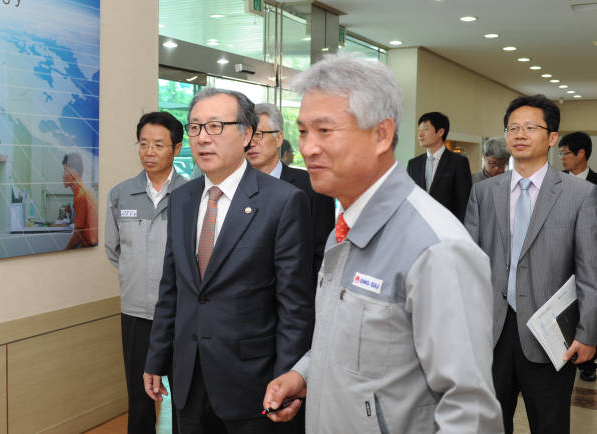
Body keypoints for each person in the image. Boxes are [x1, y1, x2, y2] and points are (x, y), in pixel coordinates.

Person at [263, 53, 502, 433]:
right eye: (303, 131)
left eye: (325, 131)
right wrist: (305, 373)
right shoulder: (342, 228)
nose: (308, 147)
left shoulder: (437, 249)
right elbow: (360, 346)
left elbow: (469, 414)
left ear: (382, 134)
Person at [143, 88, 314, 434]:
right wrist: (156, 358)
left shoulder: (283, 201)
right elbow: (172, 287)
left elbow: (294, 305)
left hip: (253, 382)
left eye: (216, 126)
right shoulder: (183, 199)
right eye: (195, 127)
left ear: (247, 133)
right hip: (189, 377)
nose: (203, 138)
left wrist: (286, 379)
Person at [464, 95, 597, 434]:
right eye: (513, 128)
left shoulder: (579, 195)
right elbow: (469, 263)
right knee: (489, 424)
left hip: (550, 334)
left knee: (550, 424)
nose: (519, 134)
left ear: (552, 137)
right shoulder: (484, 192)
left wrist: (587, 333)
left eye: (530, 127)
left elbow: (590, 270)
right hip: (491, 332)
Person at [105, 111, 187, 434]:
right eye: (143, 144)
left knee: (184, 397)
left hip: (182, 314)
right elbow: (114, 251)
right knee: (139, 398)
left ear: (176, 149)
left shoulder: (192, 194)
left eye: (158, 145)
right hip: (136, 312)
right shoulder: (121, 194)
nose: (149, 152)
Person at [248, 102, 335, 285]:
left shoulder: (310, 186)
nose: (251, 143)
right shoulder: (235, 187)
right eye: (247, 136)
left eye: (258, 135)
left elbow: (322, 254)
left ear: (279, 138)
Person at [558, 131, 597, 383]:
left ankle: (589, 360)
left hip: (590, 257)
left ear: (581, 153)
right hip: (561, 257)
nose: (561, 158)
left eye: (565, 153)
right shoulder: (556, 183)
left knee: (589, 306)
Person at [407, 111, 473, 221]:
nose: (420, 134)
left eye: (425, 129)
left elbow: (464, 202)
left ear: (440, 132)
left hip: (447, 227)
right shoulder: (413, 164)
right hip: (419, 226)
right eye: (419, 130)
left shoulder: (458, 162)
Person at [62, 152, 98, 249]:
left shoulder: (81, 196)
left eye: (65, 171)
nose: (62, 176)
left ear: (74, 173)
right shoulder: (83, 191)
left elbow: (78, 234)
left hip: (90, 246)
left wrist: (64, 252)